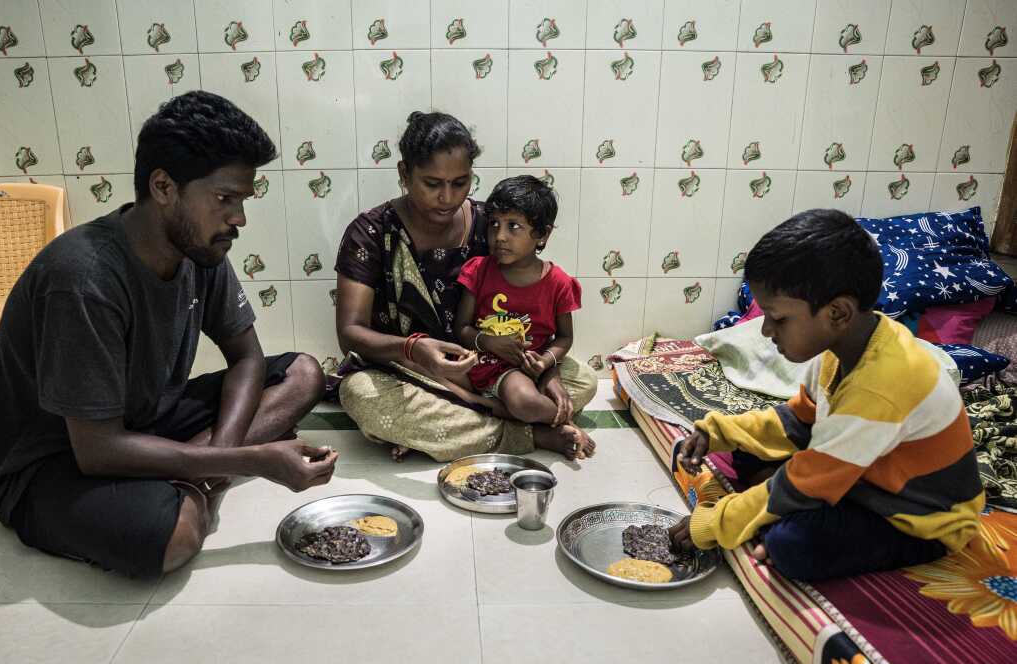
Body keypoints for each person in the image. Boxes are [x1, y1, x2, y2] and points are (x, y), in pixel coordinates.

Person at [0, 91, 338, 579]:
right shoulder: (84, 277)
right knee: (177, 536)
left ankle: (186, 475)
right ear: (165, 186)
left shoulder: (200, 248)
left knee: (302, 374)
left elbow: (247, 359)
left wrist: (215, 462)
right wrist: (253, 460)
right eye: (225, 199)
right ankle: (180, 488)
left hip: (145, 419)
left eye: (243, 200)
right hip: (53, 460)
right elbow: (97, 449)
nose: (239, 219)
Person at [668, 209, 984, 581]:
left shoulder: (882, 383)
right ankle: (783, 501)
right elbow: (796, 422)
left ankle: (782, 510)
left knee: (793, 546)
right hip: (859, 476)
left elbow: (806, 478)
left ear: (837, 313)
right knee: (747, 448)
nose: (766, 330)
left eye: (779, 318)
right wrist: (717, 432)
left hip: (914, 518)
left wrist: (713, 525)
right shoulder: (840, 352)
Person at [334, 111, 597, 462]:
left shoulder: (491, 226)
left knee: (583, 379)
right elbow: (350, 333)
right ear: (404, 174)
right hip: (411, 372)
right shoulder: (369, 233)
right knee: (360, 395)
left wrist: (546, 372)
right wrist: (415, 349)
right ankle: (527, 432)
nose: (447, 197)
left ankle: (468, 427)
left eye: (460, 183)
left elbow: (533, 311)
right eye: (432, 183)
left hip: (494, 369)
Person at [444, 175, 591, 457]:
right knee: (433, 381)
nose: (499, 236)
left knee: (526, 398)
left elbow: (564, 337)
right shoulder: (479, 270)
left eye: (514, 227)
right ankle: (556, 419)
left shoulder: (558, 283)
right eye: (494, 224)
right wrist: (488, 341)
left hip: (518, 371)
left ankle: (534, 414)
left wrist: (546, 364)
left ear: (543, 235)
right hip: (477, 366)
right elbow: (461, 328)